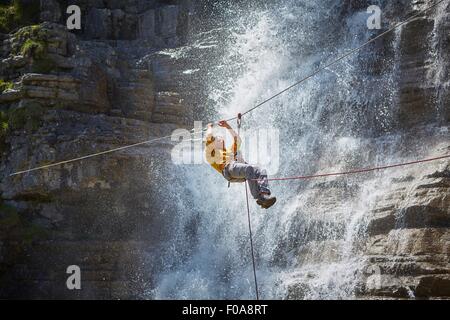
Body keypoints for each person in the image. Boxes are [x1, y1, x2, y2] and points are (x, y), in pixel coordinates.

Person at [205, 120, 277, 209]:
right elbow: (208, 137)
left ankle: (264, 195)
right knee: (249, 169)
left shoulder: (229, 151)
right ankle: (260, 198)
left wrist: (227, 126)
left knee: (261, 170)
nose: (222, 140)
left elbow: (238, 140)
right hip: (227, 170)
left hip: (235, 171)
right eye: (219, 139)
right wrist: (209, 127)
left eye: (222, 139)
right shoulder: (211, 153)